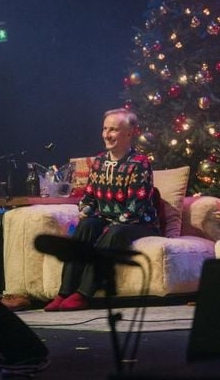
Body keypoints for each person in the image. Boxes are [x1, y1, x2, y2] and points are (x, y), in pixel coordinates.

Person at [43, 108, 159, 311]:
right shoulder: (99, 162)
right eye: (105, 129)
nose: (107, 135)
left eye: (113, 130)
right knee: (86, 226)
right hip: (108, 219)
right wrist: (85, 211)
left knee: (114, 232)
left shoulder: (140, 163)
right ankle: (65, 291)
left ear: (129, 133)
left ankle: (84, 293)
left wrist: (108, 225)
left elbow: (136, 207)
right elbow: (89, 197)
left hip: (139, 223)